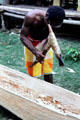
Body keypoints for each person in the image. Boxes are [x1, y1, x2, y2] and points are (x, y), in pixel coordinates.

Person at [20, 6, 65, 84]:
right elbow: (22, 36)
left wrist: (45, 51)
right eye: (51, 24)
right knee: (34, 74)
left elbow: (50, 38)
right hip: (31, 44)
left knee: (48, 72)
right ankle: (34, 92)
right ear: (46, 16)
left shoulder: (54, 20)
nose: (52, 26)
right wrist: (36, 52)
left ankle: (50, 91)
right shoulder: (31, 17)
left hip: (45, 42)